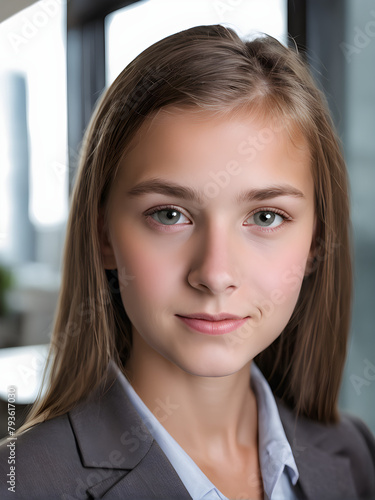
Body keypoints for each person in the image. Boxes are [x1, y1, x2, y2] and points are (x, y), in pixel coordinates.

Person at [1, 24, 374, 500]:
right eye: (169, 214)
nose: (215, 275)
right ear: (103, 235)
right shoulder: (22, 485)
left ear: (317, 240)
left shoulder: (355, 455)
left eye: (265, 216)